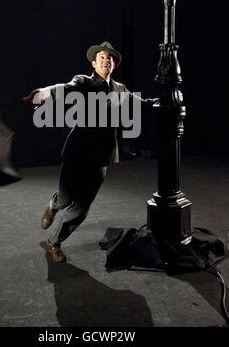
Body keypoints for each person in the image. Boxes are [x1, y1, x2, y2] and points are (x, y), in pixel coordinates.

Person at [24, 42, 182, 262]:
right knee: (66, 198)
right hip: (77, 152)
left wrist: (171, 99)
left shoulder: (120, 90)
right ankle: (54, 205)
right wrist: (46, 92)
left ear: (114, 64)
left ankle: (54, 242)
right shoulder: (84, 82)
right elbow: (66, 88)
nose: (106, 60)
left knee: (82, 207)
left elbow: (145, 104)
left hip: (102, 155)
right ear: (94, 63)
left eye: (110, 58)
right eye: (101, 57)